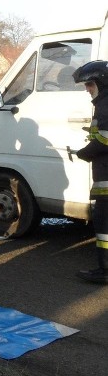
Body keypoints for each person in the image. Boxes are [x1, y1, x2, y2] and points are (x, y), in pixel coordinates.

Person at [71, 60, 108, 283]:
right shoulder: (103, 103)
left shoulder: (105, 105)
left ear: (102, 83)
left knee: (104, 226)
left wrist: (86, 152)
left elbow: (105, 140)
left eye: (90, 84)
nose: (87, 89)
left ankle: (105, 271)